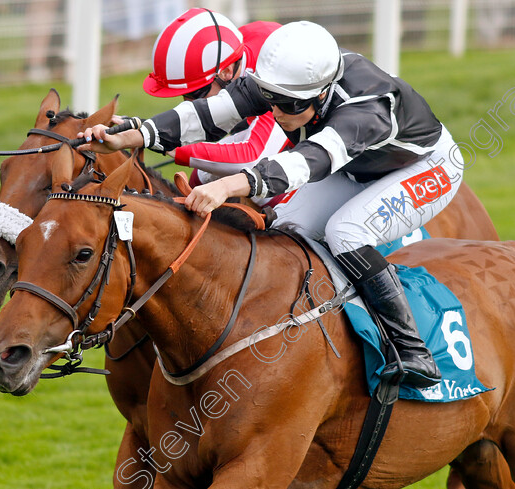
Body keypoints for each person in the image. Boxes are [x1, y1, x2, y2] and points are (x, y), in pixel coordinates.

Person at [80, 21, 466, 388]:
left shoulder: (367, 109)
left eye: (285, 105)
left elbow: (308, 161)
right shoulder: (287, 81)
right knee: (286, 230)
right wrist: (128, 135)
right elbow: (208, 114)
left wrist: (230, 186)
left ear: (321, 94)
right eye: (270, 100)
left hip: (426, 168)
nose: (275, 112)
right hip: (358, 166)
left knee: (345, 232)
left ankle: (412, 349)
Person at [136, 7, 288, 207]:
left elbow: (251, 157)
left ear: (226, 72)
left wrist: (171, 146)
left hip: (326, 148)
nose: (190, 105)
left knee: (267, 198)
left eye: (196, 94)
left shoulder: (270, 71)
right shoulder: (234, 53)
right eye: (185, 96)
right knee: (201, 176)